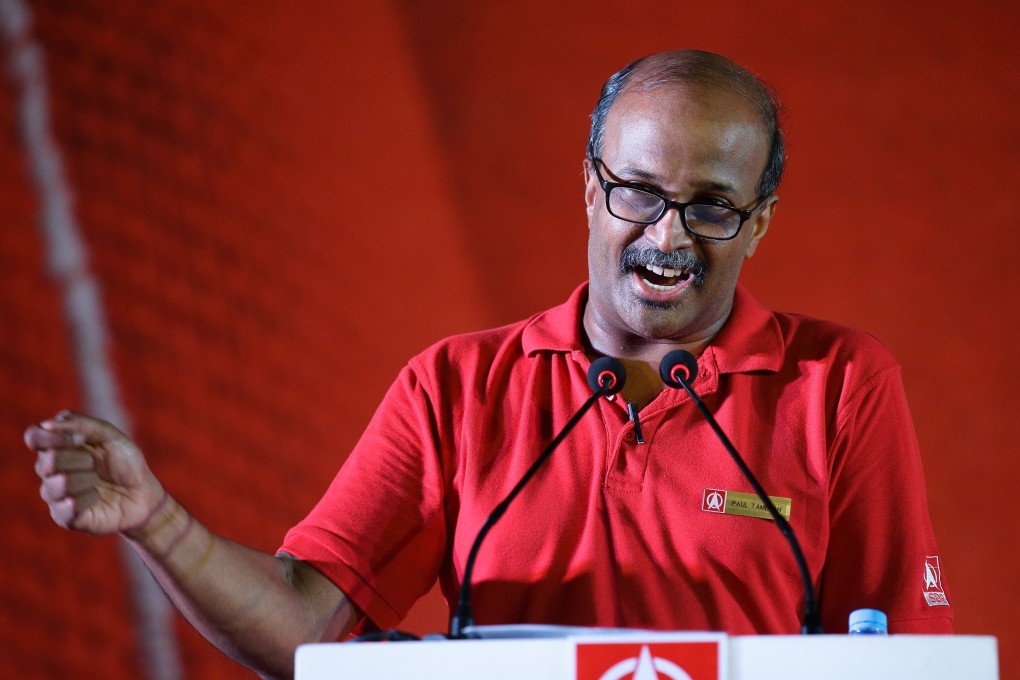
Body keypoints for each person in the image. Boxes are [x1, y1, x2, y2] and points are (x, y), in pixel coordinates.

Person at [24, 50, 952, 678]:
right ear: (591, 187)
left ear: (760, 222)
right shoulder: (456, 387)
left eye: (712, 206)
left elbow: (906, 661)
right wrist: (158, 524)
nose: (668, 235)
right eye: (638, 192)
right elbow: (304, 625)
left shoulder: (840, 384)